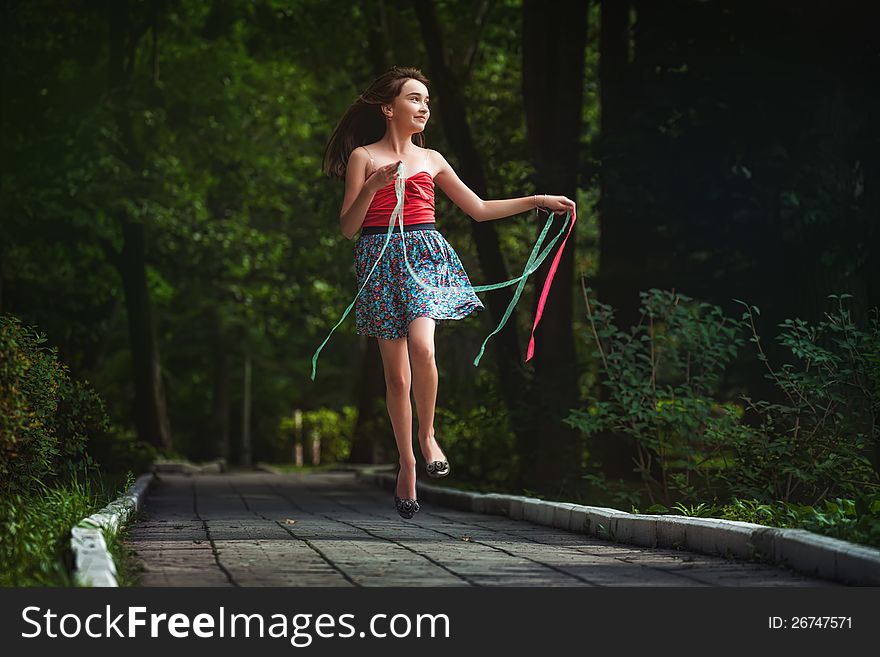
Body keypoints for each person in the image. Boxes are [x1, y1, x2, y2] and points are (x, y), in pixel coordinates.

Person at [322, 65, 575, 519]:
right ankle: (407, 464)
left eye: (426, 100)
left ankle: (428, 435)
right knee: (396, 378)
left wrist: (537, 201)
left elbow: (478, 209)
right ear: (388, 108)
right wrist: (374, 187)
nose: (423, 107)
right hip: (379, 262)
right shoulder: (364, 156)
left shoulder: (432, 159)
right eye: (414, 99)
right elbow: (347, 228)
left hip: (425, 258)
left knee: (423, 347)